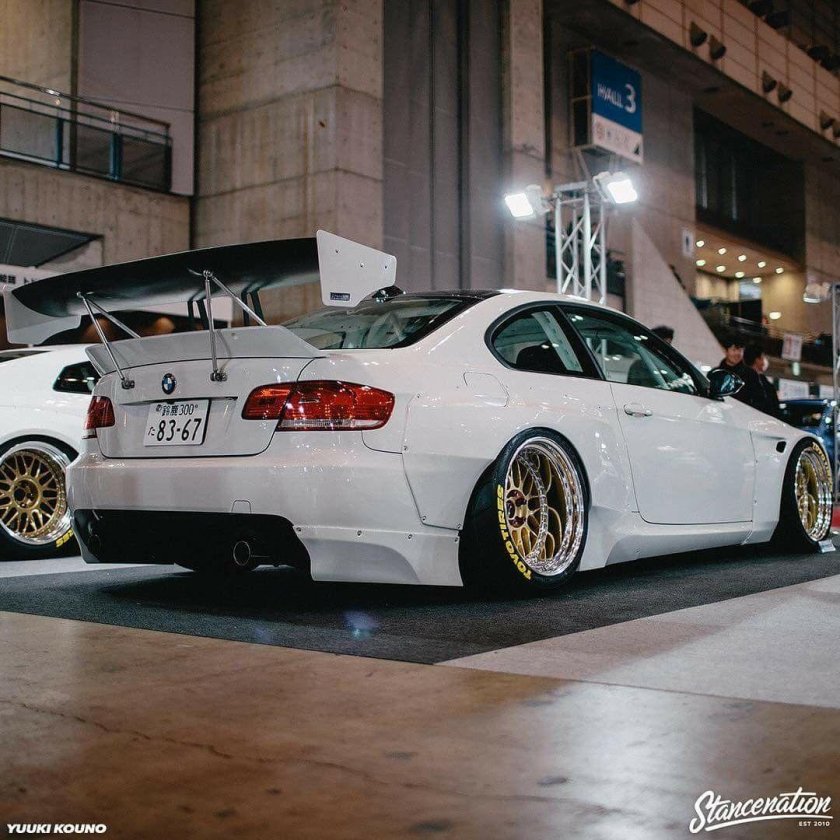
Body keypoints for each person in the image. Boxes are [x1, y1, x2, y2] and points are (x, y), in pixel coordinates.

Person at [717, 335, 764, 409]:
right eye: (734, 350)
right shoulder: (716, 373)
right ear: (725, 350)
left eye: (740, 350)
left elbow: (760, 400)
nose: (737, 353)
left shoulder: (751, 374)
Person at [744, 343, 780, 417]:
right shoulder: (755, 381)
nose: (764, 362)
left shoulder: (761, 380)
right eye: (762, 358)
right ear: (757, 360)